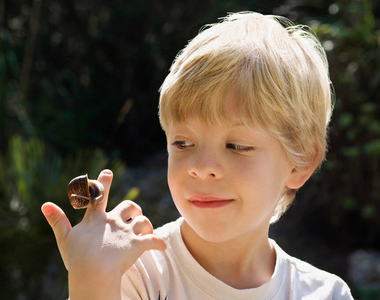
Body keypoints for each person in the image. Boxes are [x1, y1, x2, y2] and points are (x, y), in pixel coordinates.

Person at [41, 11, 354, 299]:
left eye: (237, 146)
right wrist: (91, 277)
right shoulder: (133, 273)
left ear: (301, 161)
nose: (202, 168)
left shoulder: (326, 294)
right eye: (183, 144)